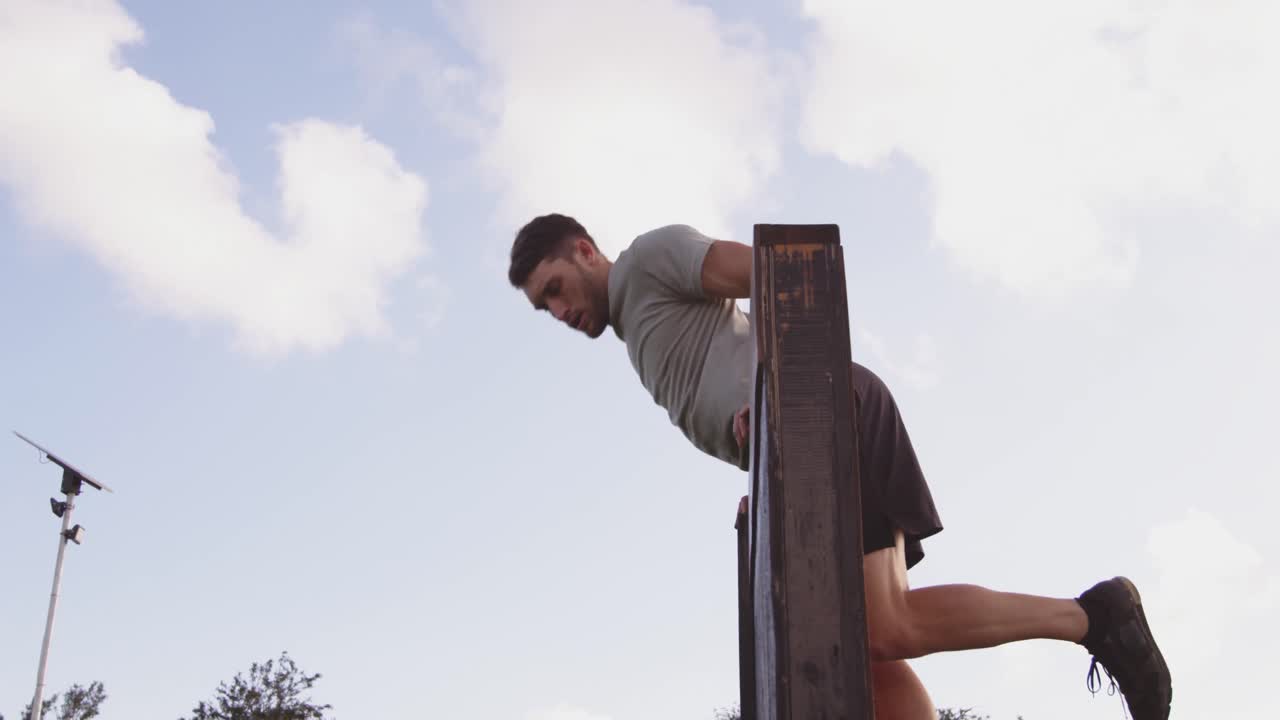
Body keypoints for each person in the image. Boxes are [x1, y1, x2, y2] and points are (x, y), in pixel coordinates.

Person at [506, 213, 1172, 720]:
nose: (559, 312)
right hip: (795, 447)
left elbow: (777, 269)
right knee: (853, 644)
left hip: (825, 411)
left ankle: (1094, 617)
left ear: (586, 252)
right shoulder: (638, 330)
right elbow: (732, 391)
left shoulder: (652, 259)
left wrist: (770, 397)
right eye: (545, 308)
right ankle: (1091, 618)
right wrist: (760, 492)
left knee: (884, 625)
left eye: (557, 289)